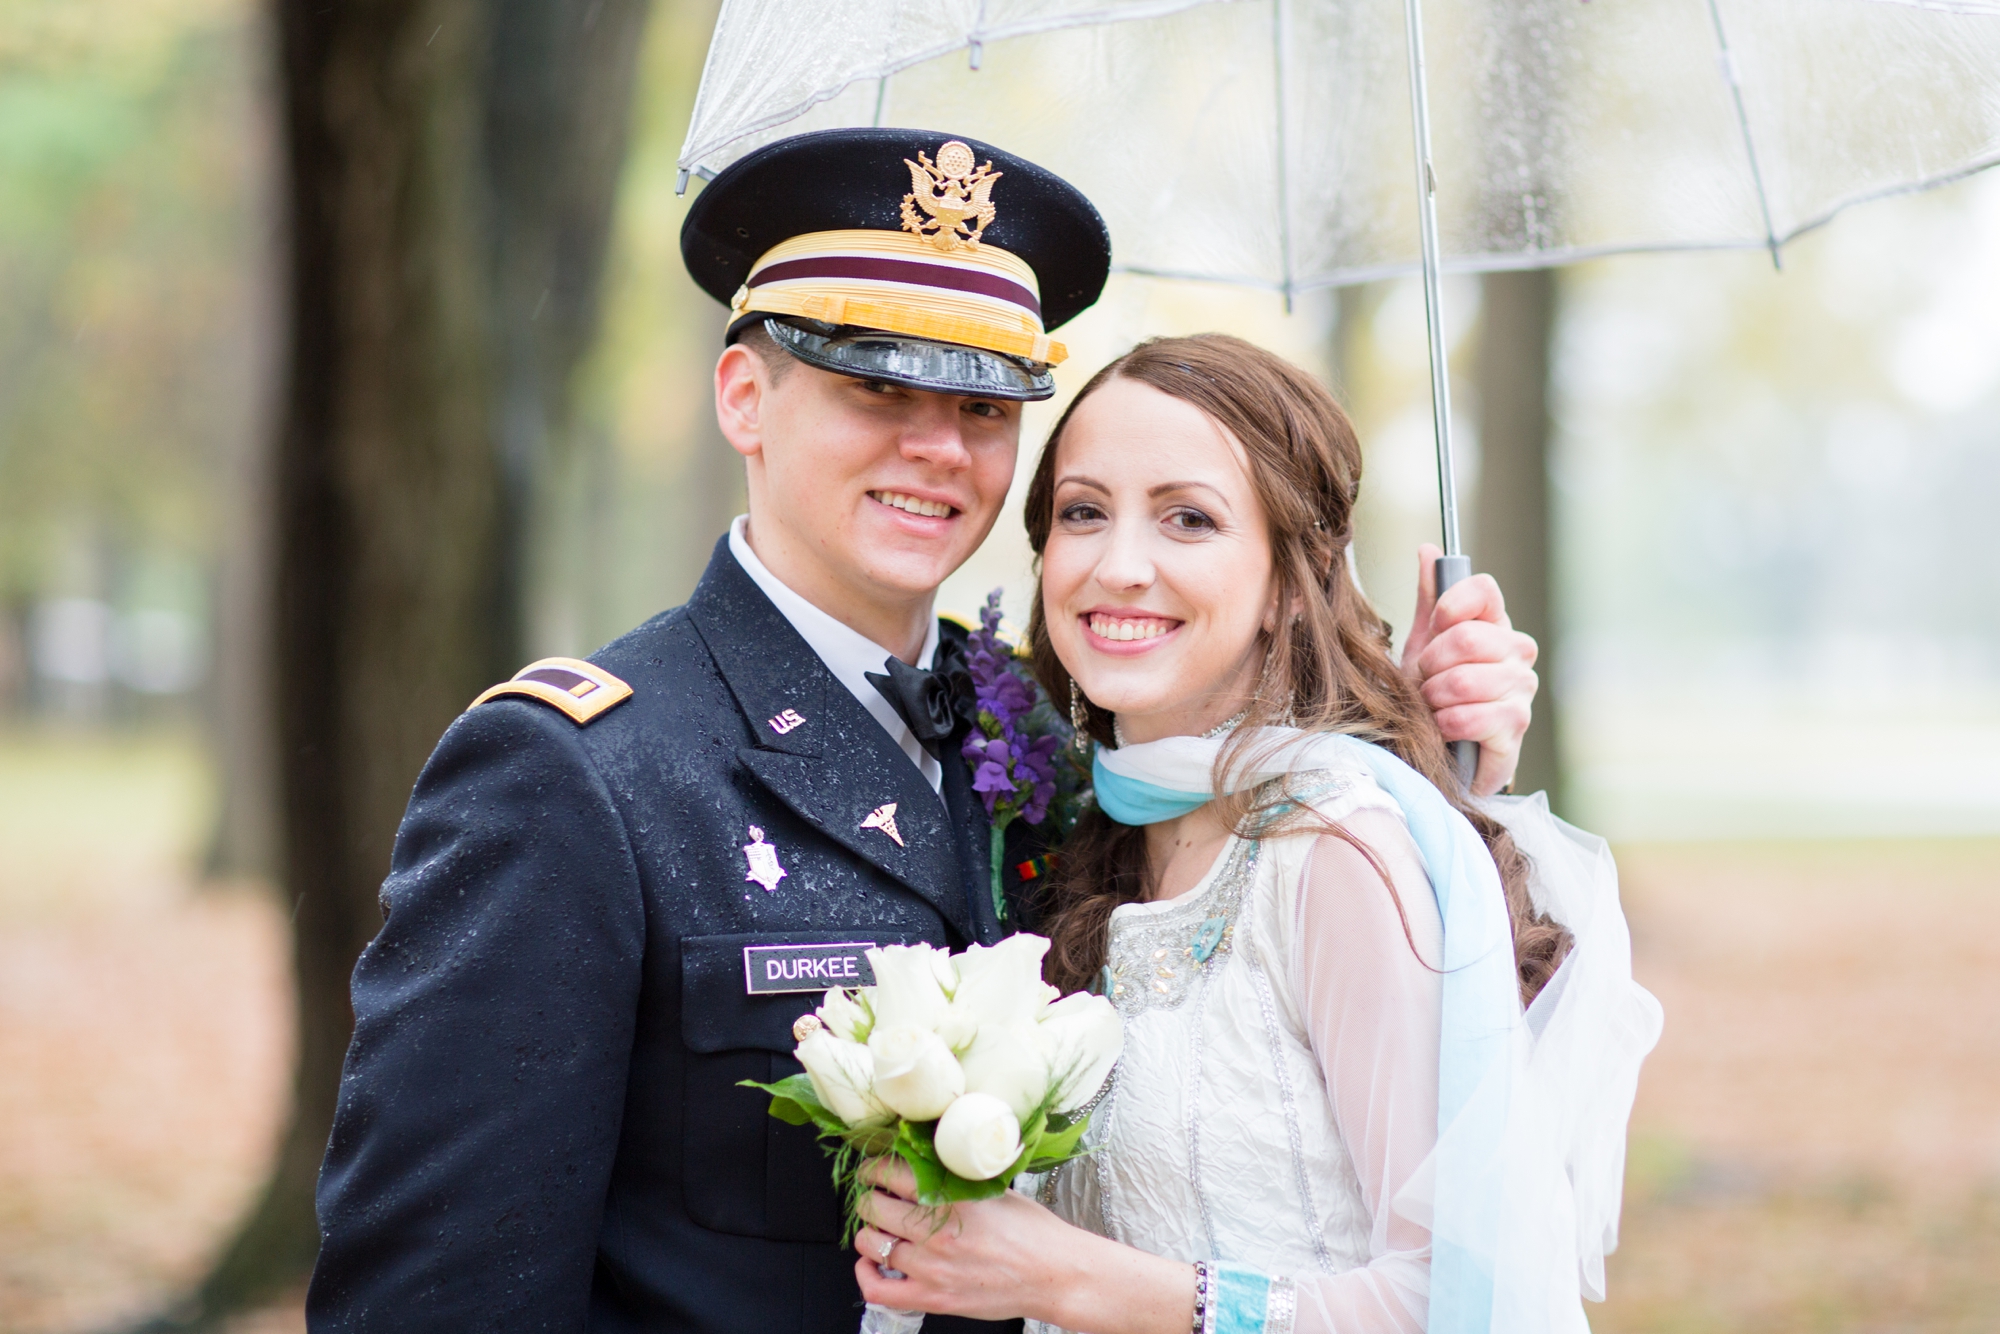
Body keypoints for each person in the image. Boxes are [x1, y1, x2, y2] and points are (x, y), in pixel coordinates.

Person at [305, 132, 1544, 1334]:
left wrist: (1434, 751)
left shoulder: (1069, 754)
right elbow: (438, 1295)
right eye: (874, 386)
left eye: (985, 405)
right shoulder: (578, 772)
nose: (937, 449)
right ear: (745, 395)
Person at [848, 336, 1662, 1334]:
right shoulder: (1083, 826)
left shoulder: (1331, 854)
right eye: (1083, 512)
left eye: (1187, 518)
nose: (1120, 565)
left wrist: (1060, 1279)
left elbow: (1451, 1299)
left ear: (1288, 580)